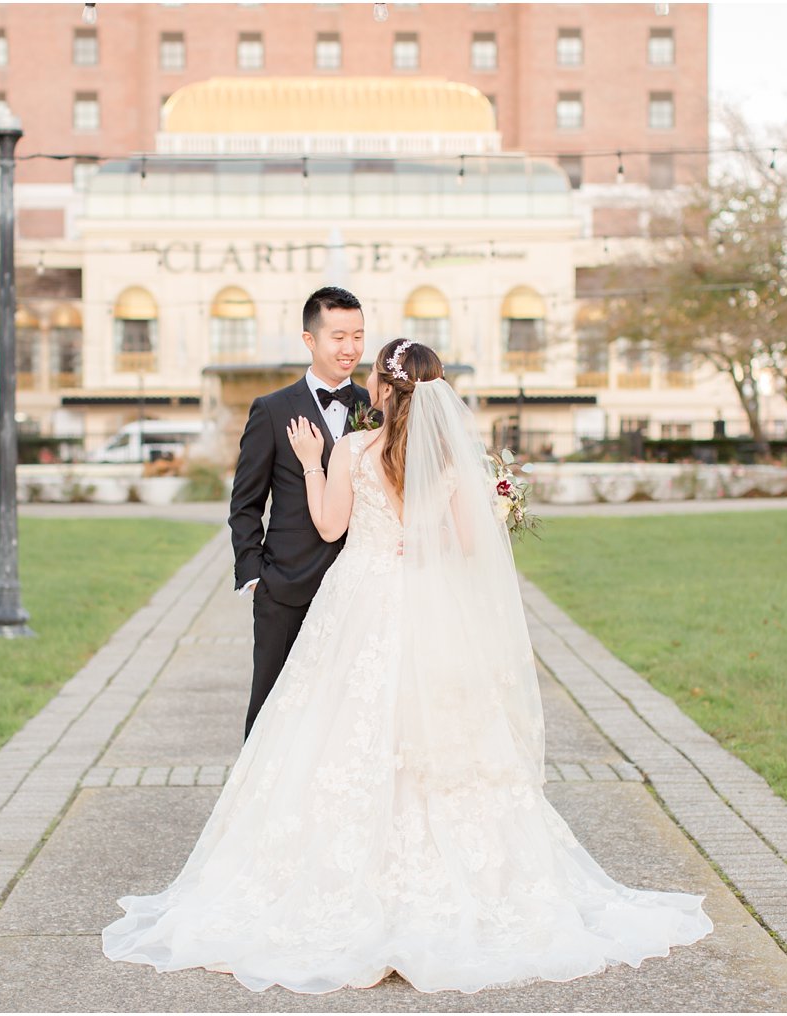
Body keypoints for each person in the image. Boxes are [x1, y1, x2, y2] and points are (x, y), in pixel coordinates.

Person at [102, 339, 714, 994]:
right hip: (428, 601)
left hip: (360, 599)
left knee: (337, 727)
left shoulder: (352, 451)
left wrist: (311, 463)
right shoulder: (450, 462)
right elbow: (472, 543)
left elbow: (331, 527)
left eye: (371, 374)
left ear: (384, 389)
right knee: (444, 736)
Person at [227, 286, 371, 740]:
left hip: (360, 586)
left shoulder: (378, 408)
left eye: (359, 336)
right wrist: (254, 574)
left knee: (348, 710)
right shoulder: (271, 410)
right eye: (338, 336)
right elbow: (245, 502)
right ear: (310, 340)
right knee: (271, 708)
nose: (350, 348)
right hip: (285, 585)